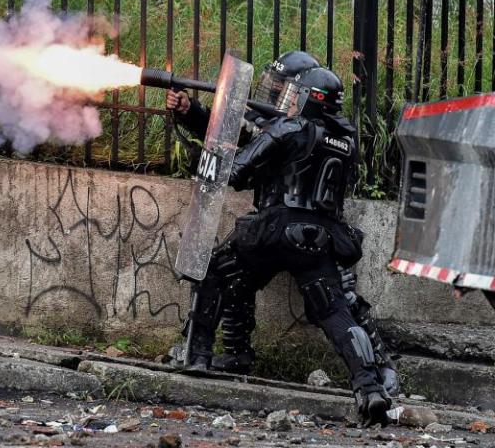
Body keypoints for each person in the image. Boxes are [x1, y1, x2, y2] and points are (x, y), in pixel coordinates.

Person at [166, 57, 394, 425]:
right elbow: (254, 131)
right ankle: (368, 389)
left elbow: (237, 170)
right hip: (321, 238)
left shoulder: (289, 129)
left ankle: (198, 355)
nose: (287, 99)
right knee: (334, 311)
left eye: (294, 94)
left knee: (219, 269)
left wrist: (202, 157)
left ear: (307, 96)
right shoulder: (346, 141)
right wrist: (193, 112)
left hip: (273, 229)